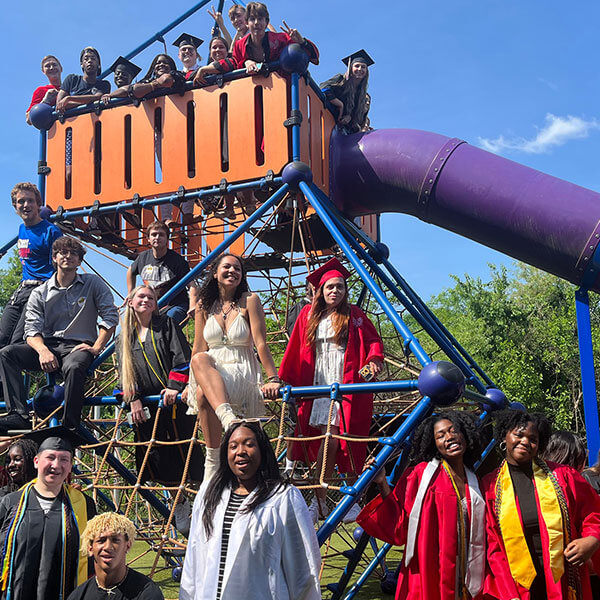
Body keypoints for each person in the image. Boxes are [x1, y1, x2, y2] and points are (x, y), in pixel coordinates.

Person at [278, 257, 384, 522]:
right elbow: (295, 349)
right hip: (318, 383)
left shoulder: (355, 315)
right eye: (330, 287)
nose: (335, 291)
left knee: (343, 440)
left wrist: (373, 361)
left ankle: (347, 499)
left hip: (345, 382)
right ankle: (323, 500)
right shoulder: (308, 316)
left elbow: (373, 342)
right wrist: (285, 378)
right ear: (320, 291)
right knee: (326, 439)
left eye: (340, 287)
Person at [179, 420, 321, 600]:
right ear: (226, 453)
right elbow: (194, 557)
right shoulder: (209, 494)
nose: (240, 452)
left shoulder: (283, 498)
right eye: (233, 446)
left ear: (262, 451)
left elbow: (303, 566)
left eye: (249, 444)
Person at [357, 411, 486, 600]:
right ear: (434, 445)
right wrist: (382, 482)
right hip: (431, 568)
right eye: (440, 436)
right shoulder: (422, 475)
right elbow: (400, 521)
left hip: (468, 569)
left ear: (465, 435)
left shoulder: (476, 482)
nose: (449, 437)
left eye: (453, 431)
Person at [0, 236, 119, 431]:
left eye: (74, 254)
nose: (68, 256)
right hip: (48, 346)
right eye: (63, 252)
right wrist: (43, 351)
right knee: (7, 354)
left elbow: (110, 315)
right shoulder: (41, 291)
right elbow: (31, 330)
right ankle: (18, 414)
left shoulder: (92, 283)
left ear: (80, 261)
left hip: (77, 346)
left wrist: (96, 347)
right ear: (54, 258)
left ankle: (70, 427)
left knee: (74, 366)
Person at [482, 410, 600, 600]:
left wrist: (592, 539)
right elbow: (493, 546)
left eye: (533, 438)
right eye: (518, 434)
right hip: (517, 585)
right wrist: (508, 593)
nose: (525, 442)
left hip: (562, 577)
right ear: (505, 435)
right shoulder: (490, 486)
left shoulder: (563, 476)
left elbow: (593, 511)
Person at [186, 254, 281, 481]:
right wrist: (188, 385)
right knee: (199, 372)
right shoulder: (203, 306)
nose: (233, 272)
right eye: (227, 267)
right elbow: (198, 347)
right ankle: (225, 426)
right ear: (215, 272)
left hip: (242, 372)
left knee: (204, 391)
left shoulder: (250, 300)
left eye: (238, 269)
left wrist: (273, 378)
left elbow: (260, 343)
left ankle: (213, 459)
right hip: (212, 372)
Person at [117, 285, 204, 485]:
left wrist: (174, 386)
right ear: (131, 302)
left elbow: (182, 357)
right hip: (148, 405)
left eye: (151, 298)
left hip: (174, 401)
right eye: (141, 296)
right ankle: (178, 505)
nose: (146, 300)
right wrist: (133, 398)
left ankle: (199, 499)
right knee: (155, 455)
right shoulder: (124, 337)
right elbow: (124, 373)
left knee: (186, 450)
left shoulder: (167, 324)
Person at [0, 426, 96, 600]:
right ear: (36, 461)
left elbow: (91, 557)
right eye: (50, 457)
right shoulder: (11, 502)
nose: (56, 465)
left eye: (64, 459)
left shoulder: (83, 505)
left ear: (70, 466)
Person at [0, 182, 62, 348]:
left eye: (30, 201)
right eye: (21, 201)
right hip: (23, 288)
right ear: (15, 206)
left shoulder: (51, 232)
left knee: (16, 343)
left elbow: (61, 265)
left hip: (41, 288)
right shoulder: (22, 229)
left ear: (38, 204)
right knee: (2, 338)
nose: (25, 205)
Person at [67, 512, 163, 600]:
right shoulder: (79, 595)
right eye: (101, 540)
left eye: (115, 540)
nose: (108, 547)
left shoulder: (147, 593)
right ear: (90, 548)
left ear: (127, 546)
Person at [207, 2, 319, 77]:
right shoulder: (239, 45)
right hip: (254, 95)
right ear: (247, 23)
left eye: (260, 19)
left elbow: (314, 59)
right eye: (252, 19)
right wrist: (206, 69)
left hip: (282, 89)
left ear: (266, 23)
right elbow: (233, 63)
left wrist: (302, 42)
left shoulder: (281, 39)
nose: (256, 23)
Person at [127, 221, 199, 326]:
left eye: (161, 235)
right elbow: (131, 271)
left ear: (167, 239)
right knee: (129, 327)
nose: (157, 237)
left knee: (166, 324)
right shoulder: (143, 257)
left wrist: (192, 305)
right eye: (154, 234)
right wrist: (131, 293)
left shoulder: (177, 260)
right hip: (153, 306)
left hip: (175, 305)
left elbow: (192, 285)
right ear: (148, 239)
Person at [321, 49, 373, 133]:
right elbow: (324, 88)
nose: (360, 69)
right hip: (328, 120)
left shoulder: (361, 95)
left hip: (343, 131)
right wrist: (339, 104)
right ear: (351, 68)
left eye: (363, 67)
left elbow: (356, 116)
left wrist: (349, 117)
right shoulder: (341, 80)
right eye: (357, 66)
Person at [56, 47, 111, 112]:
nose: (90, 61)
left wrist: (69, 99)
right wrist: (88, 101)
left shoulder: (104, 84)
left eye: (93, 58)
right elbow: (59, 104)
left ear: (99, 65)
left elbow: (98, 97)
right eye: (86, 59)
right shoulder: (71, 79)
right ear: (81, 64)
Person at [26, 55, 63, 125]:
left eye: (54, 65)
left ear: (61, 68)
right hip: (54, 131)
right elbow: (28, 119)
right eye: (47, 66)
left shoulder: (70, 87)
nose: (51, 68)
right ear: (43, 71)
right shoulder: (41, 91)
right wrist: (46, 101)